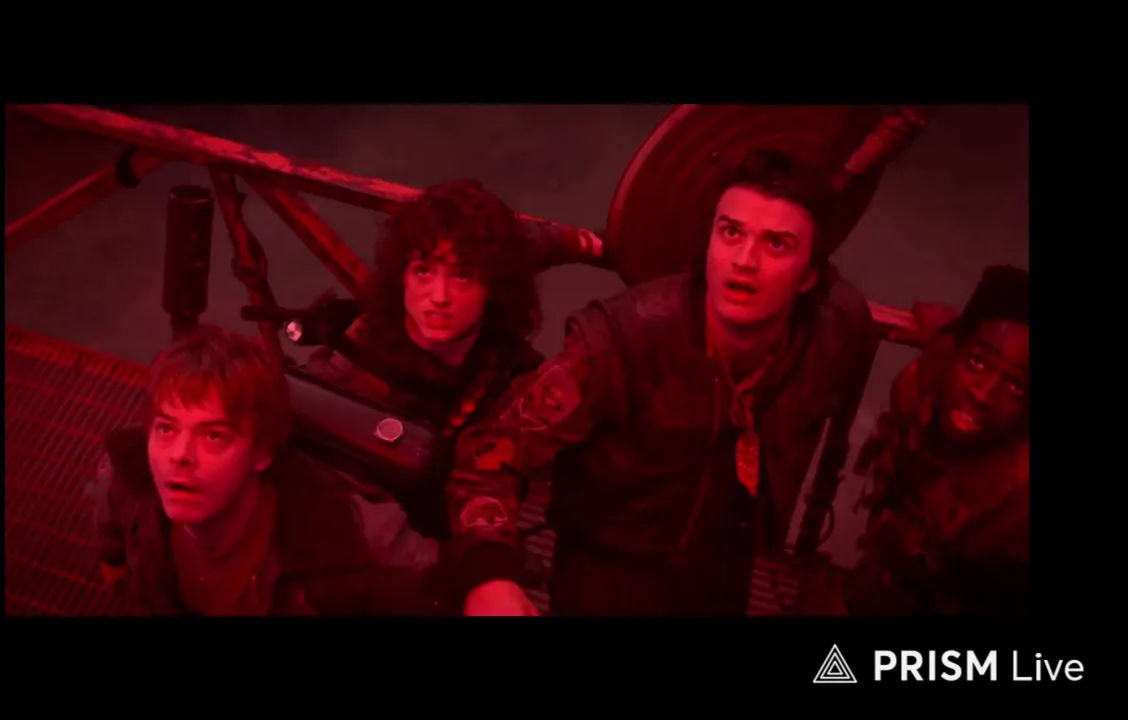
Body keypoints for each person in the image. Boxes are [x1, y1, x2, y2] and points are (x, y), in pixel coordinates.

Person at [442, 149, 881, 616]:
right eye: (731, 232)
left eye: (776, 244)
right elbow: (487, 457)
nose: (744, 260)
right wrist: (489, 576)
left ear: (809, 276)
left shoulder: (834, 329)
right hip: (610, 568)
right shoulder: (619, 343)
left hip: (723, 563)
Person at [93, 324, 436, 615]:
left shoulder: (350, 536)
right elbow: (113, 546)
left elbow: (441, 582)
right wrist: (113, 558)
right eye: (166, 429)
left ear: (260, 453)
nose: (179, 456)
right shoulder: (128, 476)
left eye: (214, 435)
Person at [300, 179, 553, 571]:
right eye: (423, 271)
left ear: (492, 286)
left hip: (464, 535)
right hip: (371, 548)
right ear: (401, 275)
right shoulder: (358, 353)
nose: (439, 296)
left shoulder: (514, 372)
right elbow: (324, 486)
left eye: (462, 275)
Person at [845, 265, 1029, 616]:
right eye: (977, 362)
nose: (983, 393)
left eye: (1016, 386)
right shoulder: (921, 384)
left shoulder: (1017, 501)